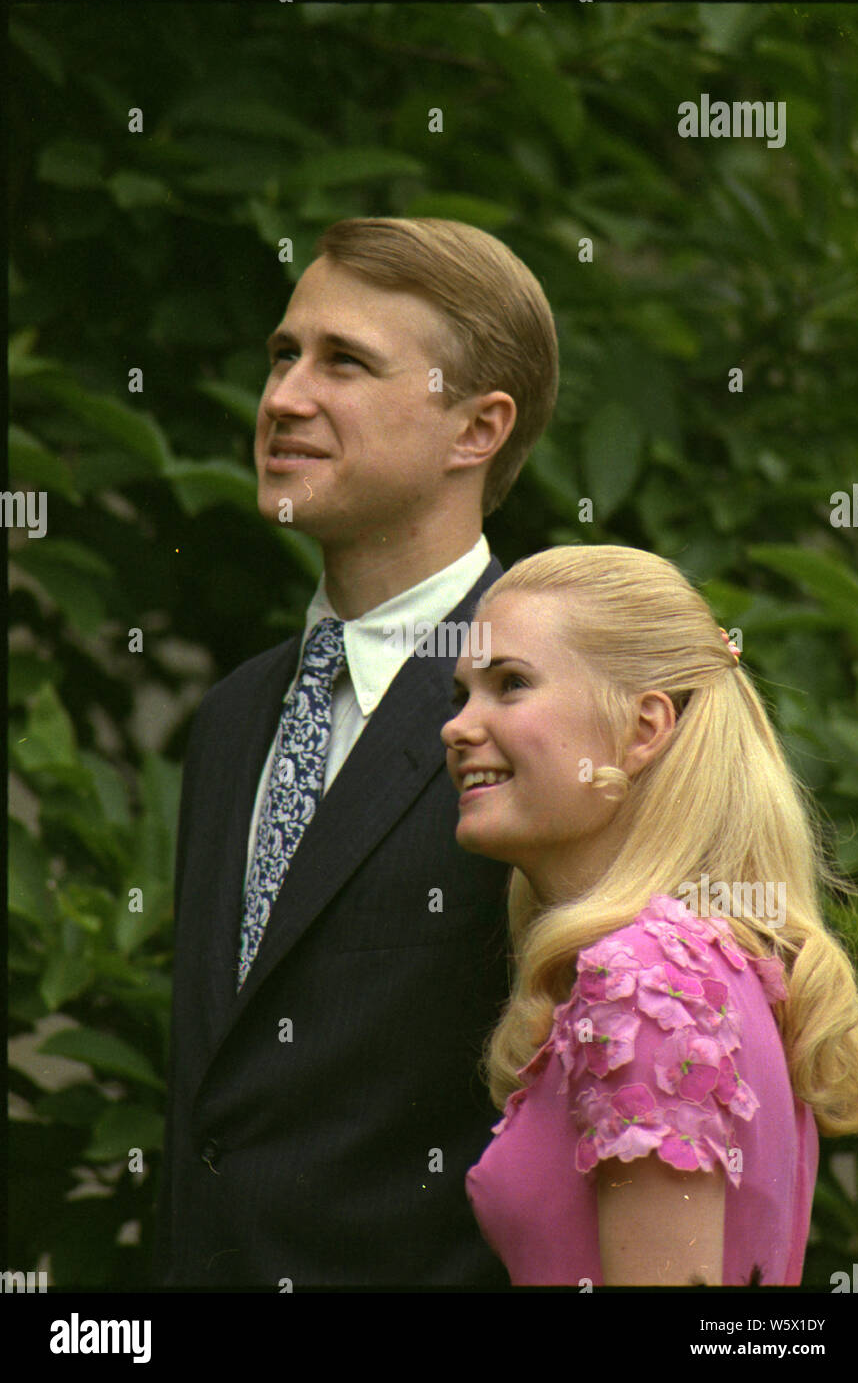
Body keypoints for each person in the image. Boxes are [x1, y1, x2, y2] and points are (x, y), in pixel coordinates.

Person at [153, 216, 559, 1286]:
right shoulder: (235, 716)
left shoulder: (558, 708)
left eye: (345, 363)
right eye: (284, 354)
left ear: (475, 429)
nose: (283, 396)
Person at [442, 544, 858, 1286]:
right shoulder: (716, 960)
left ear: (643, 730)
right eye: (461, 696)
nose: (457, 727)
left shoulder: (646, 978)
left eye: (509, 684)